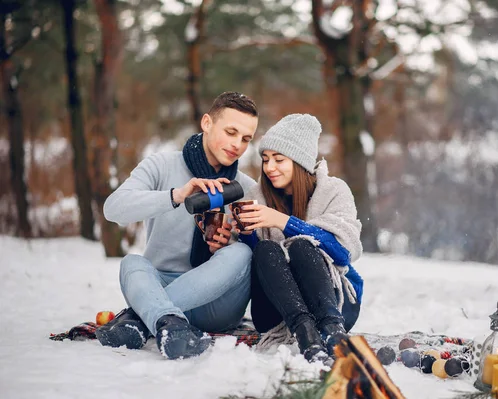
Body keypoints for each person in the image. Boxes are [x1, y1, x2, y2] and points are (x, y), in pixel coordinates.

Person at [96, 92, 259, 360]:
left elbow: (262, 251)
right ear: (207, 123)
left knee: (241, 253)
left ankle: (139, 319)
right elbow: (113, 208)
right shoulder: (161, 165)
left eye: (245, 139)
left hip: (216, 304)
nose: (237, 145)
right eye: (230, 132)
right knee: (132, 263)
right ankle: (170, 324)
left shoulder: (247, 188)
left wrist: (228, 244)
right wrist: (176, 196)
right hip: (160, 282)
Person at [234, 114, 364, 363]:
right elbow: (255, 265)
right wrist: (246, 234)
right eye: (265, 159)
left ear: (300, 161)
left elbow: (343, 252)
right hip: (278, 311)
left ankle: (331, 332)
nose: (270, 167)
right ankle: (306, 333)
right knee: (266, 250)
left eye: (279, 159)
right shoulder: (256, 196)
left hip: (332, 305)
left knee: (304, 245)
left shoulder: (334, 191)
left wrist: (283, 222)